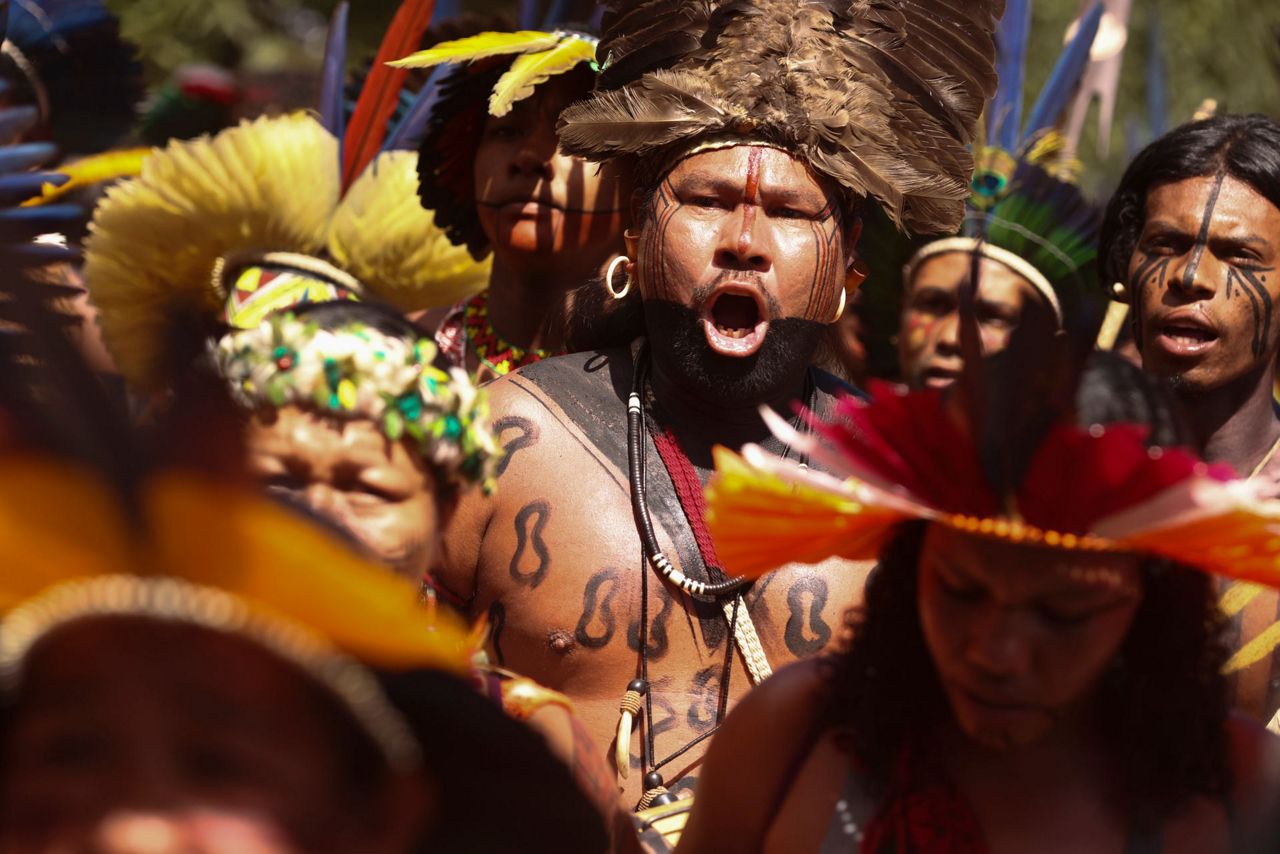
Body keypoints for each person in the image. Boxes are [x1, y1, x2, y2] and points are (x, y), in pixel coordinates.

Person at [431, 0, 1002, 808]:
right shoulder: (504, 438)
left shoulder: (916, 493)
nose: (743, 238)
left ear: (850, 270)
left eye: (790, 212)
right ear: (632, 235)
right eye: (704, 200)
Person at [686, 350, 1280, 852]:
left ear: (1152, 606)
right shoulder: (790, 734)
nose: (997, 652)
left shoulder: (1248, 792)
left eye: (1062, 613)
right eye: (961, 590)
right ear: (909, 568)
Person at [1098, 113, 1280, 721]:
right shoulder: (1044, 477)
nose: (1189, 277)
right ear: (1127, 265)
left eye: (1238, 256)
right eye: (1165, 245)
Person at [891, 1, 1106, 389]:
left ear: (1051, 352)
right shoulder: (816, 444)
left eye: (993, 316)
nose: (953, 339)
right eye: (933, 305)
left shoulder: (1094, 451)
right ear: (898, 318)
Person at [394, 28, 629, 380]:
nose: (529, 156)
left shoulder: (673, 382)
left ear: (641, 185)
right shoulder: (396, 359)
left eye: (574, 137)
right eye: (506, 130)